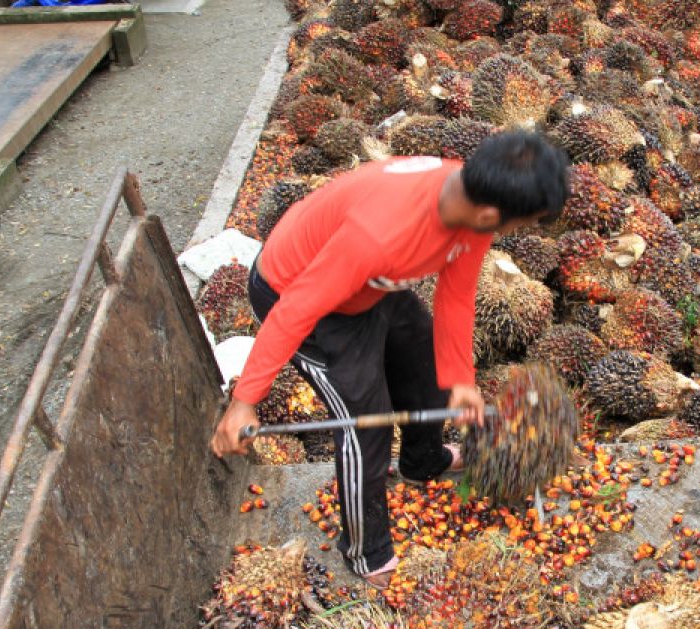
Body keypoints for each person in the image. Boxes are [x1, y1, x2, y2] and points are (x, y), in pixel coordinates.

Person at [210, 131, 571, 587]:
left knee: (426, 365)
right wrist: (245, 399)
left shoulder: (472, 202)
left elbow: (456, 296)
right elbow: (295, 310)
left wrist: (461, 380)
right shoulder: (379, 234)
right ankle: (366, 549)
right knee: (367, 422)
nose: (516, 233)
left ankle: (424, 461)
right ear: (489, 215)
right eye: (521, 224)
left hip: (372, 284)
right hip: (301, 292)